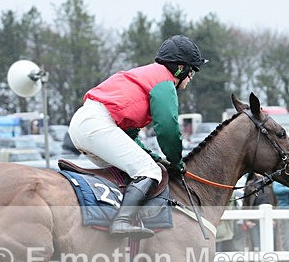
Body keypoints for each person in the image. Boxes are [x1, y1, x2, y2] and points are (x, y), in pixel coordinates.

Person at [68, 35, 207, 239]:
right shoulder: (164, 83)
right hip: (97, 125)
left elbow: (130, 136)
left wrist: (154, 156)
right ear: (180, 68)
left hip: (85, 123)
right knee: (149, 171)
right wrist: (176, 160)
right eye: (192, 70)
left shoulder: (145, 76)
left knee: (132, 170)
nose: (192, 77)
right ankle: (122, 222)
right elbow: (167, 128)